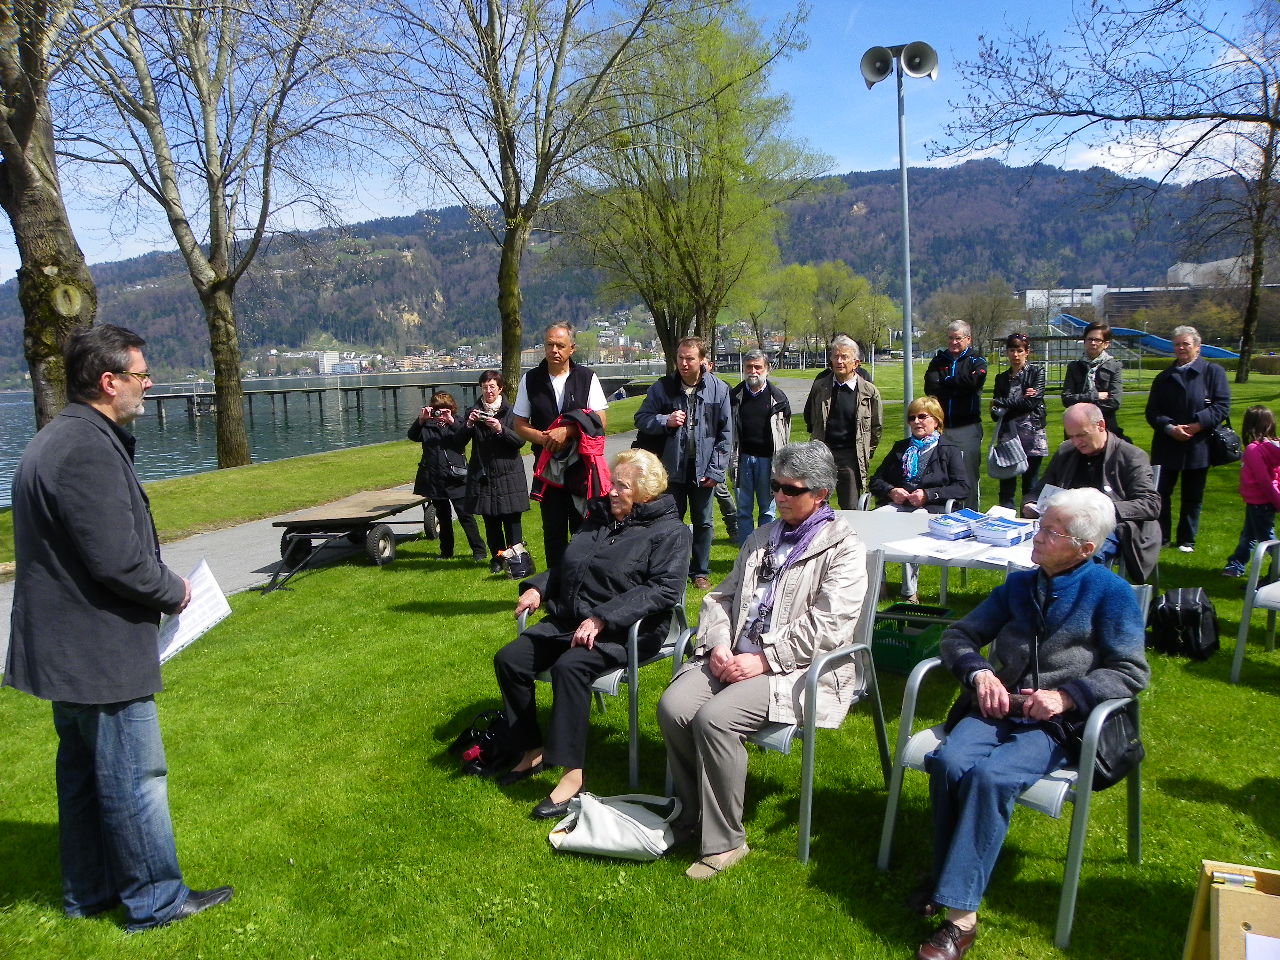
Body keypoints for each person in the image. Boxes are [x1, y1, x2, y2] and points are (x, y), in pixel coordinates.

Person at [4, 324, 233, 931]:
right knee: (136, 778)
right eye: (141, 374)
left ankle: (89, 892)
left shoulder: (58, 437)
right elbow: (118, 561)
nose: (149, 384)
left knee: (83, 778)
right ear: (109, 382)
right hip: (98, 650)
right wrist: (176, 590)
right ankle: (154, 900)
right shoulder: (85, 449)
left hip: (68, 651)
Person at [915, 488, 1149, 960]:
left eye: (1050, 531)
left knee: (991, 777)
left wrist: (1067, 696)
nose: (1037, 537)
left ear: (1084, 547)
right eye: (1040, 526)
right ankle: (948, 877)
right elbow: (959, 635)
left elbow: (1131, 671)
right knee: (950, 762)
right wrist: (979, 674)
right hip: (997, 707)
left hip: (1056, 725)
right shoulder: (1020, 586)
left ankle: (960, 920)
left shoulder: (1112, 594)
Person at [657, 441, 867, 879]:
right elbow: (721, 597)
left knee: (715, 719)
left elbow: (829, 625)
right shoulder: (761, 538)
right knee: (673, 707)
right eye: (776, 486)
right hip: (733, 654)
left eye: (791, 489)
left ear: (821, 494)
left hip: (798, 668)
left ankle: (726, 842)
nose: (779, 496)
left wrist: (766, 659)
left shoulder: (844, 548)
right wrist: (718, 644)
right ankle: (692, 812)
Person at [493, 449, 691, 819]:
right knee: (509, 660)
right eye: (613, 483)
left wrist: (603, 618)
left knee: (570, 667)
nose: (612, 491)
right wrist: (538, 587)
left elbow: (663, 590)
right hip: (572, 619)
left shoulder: (670, 533)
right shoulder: (600, 518)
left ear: (646, 492)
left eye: (623, 486)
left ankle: (572, 775)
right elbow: (568, 566)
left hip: (629, 629)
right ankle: (531, 750)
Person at [634, 337, 733, 590]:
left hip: (703, 470)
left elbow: (725, 435)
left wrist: (716, 471)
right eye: (680, 358)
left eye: (690, 358)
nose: (684, 363)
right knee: (669, 522)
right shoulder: (663, 387)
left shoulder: (719, 389)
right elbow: (641, 418)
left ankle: (700, 572)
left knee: (704, 522)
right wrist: (664, 420)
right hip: (670, 469)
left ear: (703, 360)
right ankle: (669, 570)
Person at [1024, 403, 1161, 582]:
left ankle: (1074, 592)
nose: (1076, 442)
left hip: (1109, 527)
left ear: (1101, 425)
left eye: (1082, 435)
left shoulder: (1131, 456)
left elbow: (1150, 503)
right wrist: (1030, 503)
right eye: (1071, 436)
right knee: (1032, 545)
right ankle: (1035, 591)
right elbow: (1039, 489)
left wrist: (1098, 511)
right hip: (1061, 526)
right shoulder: (1067, 451)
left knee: (1078, 558)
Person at [512, 323, 609, 570]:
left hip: (581, 467)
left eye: (560, 345)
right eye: (549, 344)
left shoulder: (587, 378)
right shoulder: (530, 380)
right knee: (553, 531)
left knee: (582, 527)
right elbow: (519, 424)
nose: (554, 350)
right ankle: (554, 584)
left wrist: (568, 431)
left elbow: (600, 420)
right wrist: (544, 438)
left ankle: (581, 582)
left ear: (572, 349)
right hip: (548, 469)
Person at [869, 397, 971, 603]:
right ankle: (878, 584)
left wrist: (928, 495)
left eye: (922, 417)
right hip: (899, 504)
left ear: (936, 420)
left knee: (911, 524)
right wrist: (891, 491)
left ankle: (909, 592)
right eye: (912, 418)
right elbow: (875, 480)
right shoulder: (901, 448)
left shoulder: (948, 449)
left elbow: (962, 487)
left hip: (932, 507)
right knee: (873, 520)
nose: (916, 421)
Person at [1144, 324, 1231, 552]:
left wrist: (1196, 425)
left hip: (1198, 443)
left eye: (1186, 344)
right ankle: (1161, 537)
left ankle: (1186, 540)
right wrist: (1169, 427)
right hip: (1167, 443)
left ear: (1198, 347)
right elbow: (1152, 411)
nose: (1181, 348)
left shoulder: (1213, 373)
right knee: (1161, 493)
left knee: (1193, 495)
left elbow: (1222, 406)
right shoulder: (1163, 377)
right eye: (1177, 345)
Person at [462, 371, 530, 575]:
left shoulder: (512, 412)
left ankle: (516, 558)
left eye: (492, 386)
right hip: (484, 475)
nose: (488, 391)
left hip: (509, 473)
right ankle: (497, 559)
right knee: (491, 521)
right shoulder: (473, 411)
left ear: (500, 388)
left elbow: (520, 441)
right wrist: (469, 425)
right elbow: (458, 442)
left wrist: (501, 429)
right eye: (484, 387)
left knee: (512, 520)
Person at [803, 335, 883, 509]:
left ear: (856, 363)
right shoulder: (820, 387)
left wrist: (865, 451)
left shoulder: (869, 392)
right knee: (815, 505)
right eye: (835, 356)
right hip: (823, 454)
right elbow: (809, 416)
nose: (839, 361)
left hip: (850, 457)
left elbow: (876, 428)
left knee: (851, 507)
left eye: (844, 357)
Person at [408, 390, 487, 562]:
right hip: (435, 478)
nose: (441, 413)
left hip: (456, 477)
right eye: (437, 409)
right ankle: (446, 552)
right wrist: (421, 419)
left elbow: (464, 438)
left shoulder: (458, 423)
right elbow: (412, 436)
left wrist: (451, 422)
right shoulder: (427, 425)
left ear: (452, 409)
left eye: (445, 409)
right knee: (443, 518)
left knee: (465, 516)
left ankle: (479, 551)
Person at [730, 350, 792, 544]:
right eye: (749, 367)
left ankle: (766, 551)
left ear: (767, 369)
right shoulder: (734, 397)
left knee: (768, 510)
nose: (753, 371)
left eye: (758, 367)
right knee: (743, 511)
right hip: (742, 460)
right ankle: (745, 552)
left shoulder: (779, 399)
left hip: (769, 461)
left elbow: (785, 433)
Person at [925, 322, 988, 509]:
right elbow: (931, 387)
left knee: (968, 475)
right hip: (942, 429)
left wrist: (946, 381)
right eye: (950, 338)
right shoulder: (939, 360)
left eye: (958, 338)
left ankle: (971, 513)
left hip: (967, 428)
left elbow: (974, 383)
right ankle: (947, 513)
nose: (953, 342)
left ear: (968, 339)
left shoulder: (976, 360)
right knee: (943, 473)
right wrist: (959, 385)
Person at [989, 333, 1048, 510]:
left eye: (1019, 350)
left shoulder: (1036, 372)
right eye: (1011, 350)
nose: (1015, 355)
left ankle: (1028, 519)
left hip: (1032, 434)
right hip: (1008, 436)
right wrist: (1018, 400)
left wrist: (1003, 402)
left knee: (1030, 484)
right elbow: (995, 412)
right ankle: (1006, 519)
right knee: (1007, 486)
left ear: (1027, 352)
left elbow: (1031, 403)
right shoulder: (1001, 378)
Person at [1223, 405, 1280, 578]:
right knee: (1248, 535)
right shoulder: (1273, 446)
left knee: (1267, 540)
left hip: (1260, 503)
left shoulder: (1253, 450)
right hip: (1258, 502)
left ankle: (1276, 572)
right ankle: (1236, 564)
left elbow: (1264, 480)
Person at [1061, 320, 1125, 438]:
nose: (1093, 343)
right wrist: (1096, 396)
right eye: (1090, 339)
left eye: (1098, 340)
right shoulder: (1074, 367)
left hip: (1106, 429)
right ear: (1084, 341)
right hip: (1076, 429)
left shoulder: (1114, 366)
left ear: (1106, 344)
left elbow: (1114, 402)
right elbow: (1067, 399)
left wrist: (1081, 404)